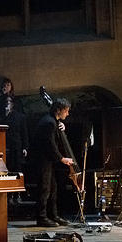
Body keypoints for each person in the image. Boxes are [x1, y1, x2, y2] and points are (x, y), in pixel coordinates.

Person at [30, 97, 73, 227]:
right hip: (42, 161)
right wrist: (62, 158)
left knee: (52, 189)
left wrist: (62, 127)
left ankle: (53, 215)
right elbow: (50, 145)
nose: (68, 113)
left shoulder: (52, 121)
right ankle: (42, 217)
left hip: (47, 161)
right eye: (66, 111)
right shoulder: (49, 122)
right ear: (58, 110)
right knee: (44, 189)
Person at [1, 96, 29, 204]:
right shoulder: (2, 115)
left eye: (9, 102)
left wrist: (25, 147)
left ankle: (18, 194)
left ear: (13, 104)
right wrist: (5, 115)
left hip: (17, 147)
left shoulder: (20, 117)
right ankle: (9, 195)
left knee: (18, 171)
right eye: (6, 102)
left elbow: (24, 133)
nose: (7, 104)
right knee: (8, 170)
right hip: (6, 146)